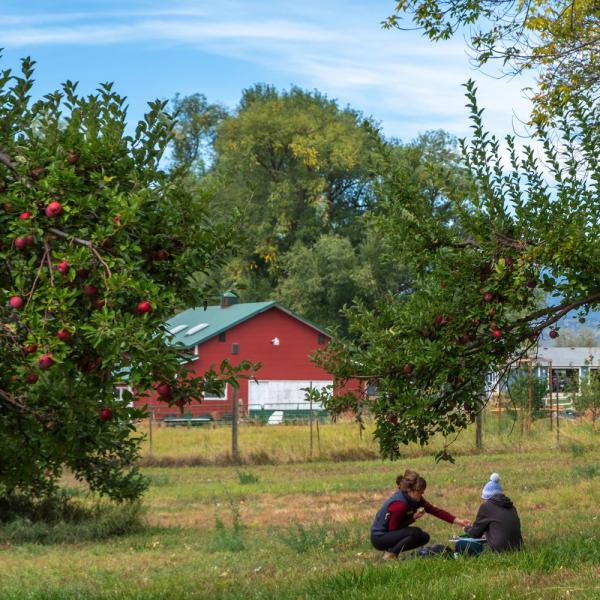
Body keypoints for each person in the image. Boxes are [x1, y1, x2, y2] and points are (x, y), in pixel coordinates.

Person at [371, 469, 471, 559]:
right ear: (410, 490)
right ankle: (390, 554)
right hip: (380, 537)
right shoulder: (399, 505)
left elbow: (435, 511)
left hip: (390, 534)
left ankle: (392, 552)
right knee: (415, 532)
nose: (422, 494)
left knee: (424, 537)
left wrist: (459, 521)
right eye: (420, 492)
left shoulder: (415, 498)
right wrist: (412, 518)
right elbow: (393, 529)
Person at [459, 472, 522, 555]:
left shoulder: (487, 506)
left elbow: (475, 534)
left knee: (460, 545)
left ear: (487, 497)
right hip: (517, 548)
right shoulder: (511, 506)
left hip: (498, 551)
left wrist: (467, 528)